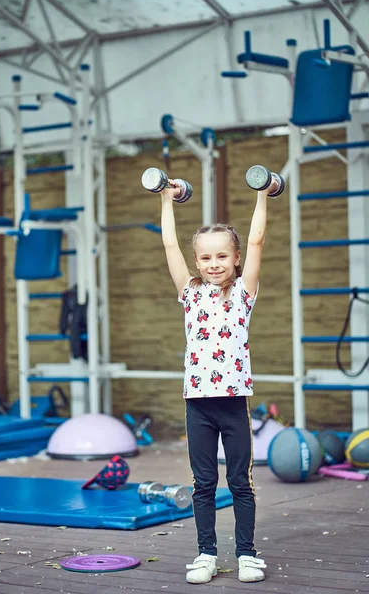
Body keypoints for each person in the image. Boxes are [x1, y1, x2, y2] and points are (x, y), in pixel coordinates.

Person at [157, 174, 275, 585]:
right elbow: (170, 245)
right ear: (197, 262)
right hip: (198, 404)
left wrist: (263, 193)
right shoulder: (189, 292)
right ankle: (206, 552)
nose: (213, 264)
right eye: (205, 258)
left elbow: (258, 239)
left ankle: (247, 553)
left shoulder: (244, 293)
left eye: (221, 257)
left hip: (232, 402)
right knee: (203, 483)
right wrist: (166, 199)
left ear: (236, 258)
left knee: (240, 481)